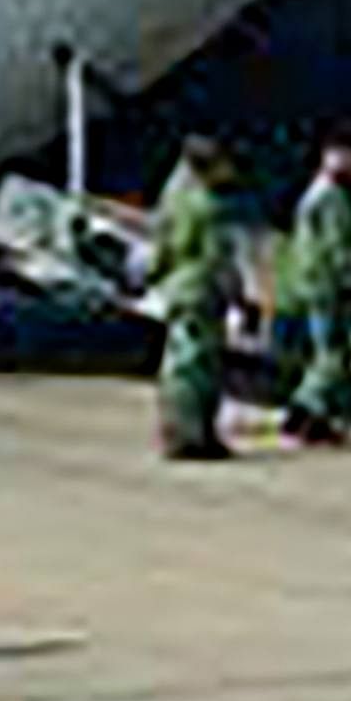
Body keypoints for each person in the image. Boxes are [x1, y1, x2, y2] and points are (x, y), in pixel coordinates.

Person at [272, 139, 351, 445]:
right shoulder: (334, 200)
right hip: (326, 284)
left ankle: (328, 415)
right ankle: (303, 411)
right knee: (331, 353)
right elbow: (336, 250)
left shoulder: (315, 193)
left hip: (309, 280)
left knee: (328, 351)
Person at [147, 137, 241, 461]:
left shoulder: (173, 193)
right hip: (202, 289)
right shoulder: (207, 204)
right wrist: (235, 293)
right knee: (198, 365)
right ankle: (192, 435)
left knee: (181, 363)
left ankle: (181, 431)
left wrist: (156, 275)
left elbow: (162, 241)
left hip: (181, 287)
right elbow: (219, 257)